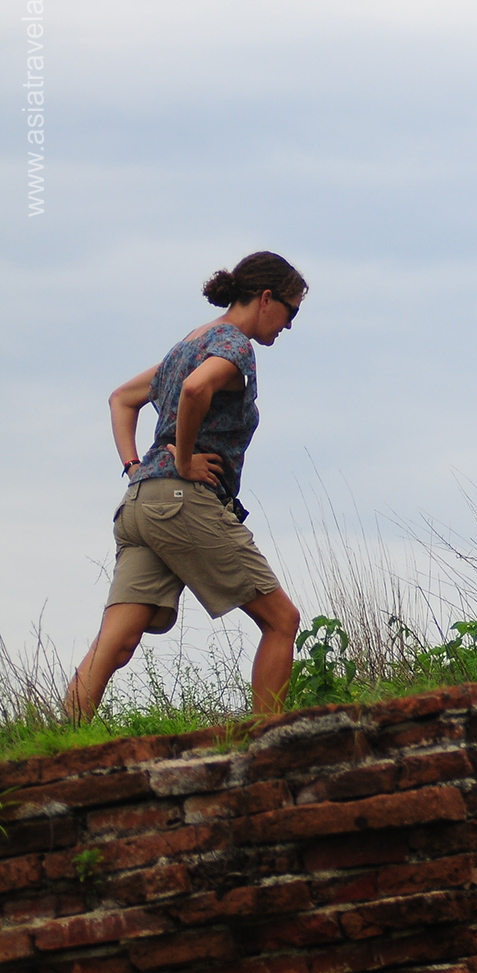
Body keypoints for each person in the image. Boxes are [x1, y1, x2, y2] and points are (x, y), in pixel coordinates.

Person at [66, 252, 307, 720]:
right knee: (282, 621)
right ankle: (270, 746)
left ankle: (57, 745)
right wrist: (182, 460)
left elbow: (122, 399)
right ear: (265, 298)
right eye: (291, 311)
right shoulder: (235, 346)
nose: (290, 325)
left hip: (140, 505)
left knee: (114, 645)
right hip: (181, 504)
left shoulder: (188, 344)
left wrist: (135, 466)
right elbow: (197, 390)